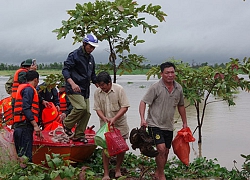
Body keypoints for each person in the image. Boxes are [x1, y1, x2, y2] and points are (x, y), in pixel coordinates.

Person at [139, 62, 188, 180]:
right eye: (167, 73)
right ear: (161, 74)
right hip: (154, 124)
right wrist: (142, 119)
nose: (170, 75)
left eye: (172, 72)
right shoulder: (156, 87)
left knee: (165, 151)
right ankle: (161, 175)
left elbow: (181, 106)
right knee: (160, 148)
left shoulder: (178, 88)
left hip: (168, 125)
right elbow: (143, 102)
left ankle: (158, 172)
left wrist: (185, 122)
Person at [62, 34, 98, 142]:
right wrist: (72, 83)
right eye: (90, 46)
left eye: (93, 47)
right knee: (80, 107)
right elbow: (65, 70)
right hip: (74, 88)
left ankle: (79, 135)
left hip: (85, 89)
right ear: (84, 44)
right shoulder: (74, 55)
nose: (92, 49)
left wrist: (98, 84)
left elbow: (92, 75)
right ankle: (67, 124)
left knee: (87, 112)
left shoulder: (91, 58)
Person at [93, 71, 130, 180]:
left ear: (109, 83)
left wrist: (114, 118)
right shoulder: (97, 92)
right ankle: (106, 173)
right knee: (105, 148)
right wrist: (104, 118)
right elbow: (97, 108)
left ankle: (117, 169)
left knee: (121, 147)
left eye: (103, 85)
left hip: (120, 123)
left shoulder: (119, 89)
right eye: (100, 86)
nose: (101, 88)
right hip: (106, 125)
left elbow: (125, 106)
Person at [13, 70, 43, 164]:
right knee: (26, 156)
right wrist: (35, 125)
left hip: (18, 126)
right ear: (35, 80)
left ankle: (21, 174)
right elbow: (26, 108)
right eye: (37, 81)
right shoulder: (29, 89)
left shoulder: (21, 88)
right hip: (24, 126)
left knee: (21, 155)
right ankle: (26, 175)